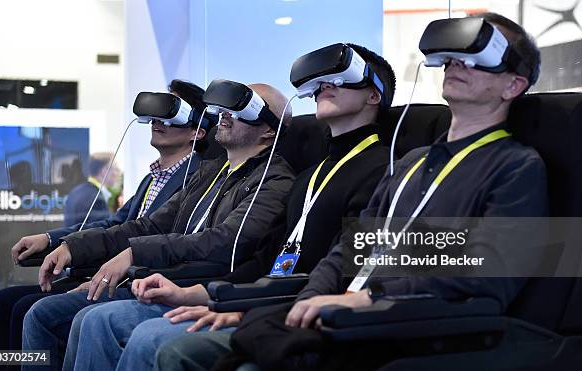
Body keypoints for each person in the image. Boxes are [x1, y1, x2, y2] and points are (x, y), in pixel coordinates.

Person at [168, 13, 548, 371]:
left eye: (478, 59)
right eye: (453, 58)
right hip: (343, 316)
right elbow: (349, 250)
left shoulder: (516, 166)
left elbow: (486, 272)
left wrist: (368, 297)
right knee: (199, 349)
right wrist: (302, 305)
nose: (456, 65)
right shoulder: (411, 162)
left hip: (408, 326)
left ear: (513, 85)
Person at [69, 43, 397, 371]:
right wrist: (204, 295)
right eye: (322, 82)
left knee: (150, 339)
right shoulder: (310, 176)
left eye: (342, 79)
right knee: (97, 320)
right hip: (267, 299)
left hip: (298, 309)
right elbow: (267, 260)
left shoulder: (385, 171)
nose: (325, 85)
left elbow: (350, 272)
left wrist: (243, 307)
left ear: (373, 96)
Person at [21, 82, 295, 371]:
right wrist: (72, 245)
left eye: (242, 109)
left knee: (91, 319)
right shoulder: (209, 174)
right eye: (225, 108)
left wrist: (135, 255)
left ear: (268, 130)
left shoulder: (274, 181)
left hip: (198, 283)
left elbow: (224, 241)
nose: (225, 114)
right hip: (162, 277)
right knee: (35, 308)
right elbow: (144, 226)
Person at [0, 79, 212, 371]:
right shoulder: (153, 178)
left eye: (171, 113)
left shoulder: (196, 180)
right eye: (155, 113)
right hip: (110, 270)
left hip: (136, 276)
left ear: (197, 130)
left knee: (33, 311)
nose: (158, 120)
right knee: (5, 302)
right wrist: (51, 238)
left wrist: (87, 261)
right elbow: (113, 223)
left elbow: (145, 234)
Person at [63, 151, 118, 226]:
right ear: (104, 171)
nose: (117, 173)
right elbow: (100, 233)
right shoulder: (97, 199)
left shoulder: (76, 191)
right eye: (115, 169)